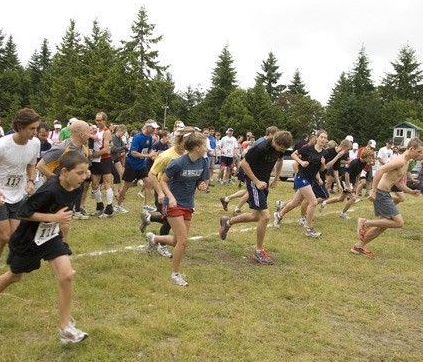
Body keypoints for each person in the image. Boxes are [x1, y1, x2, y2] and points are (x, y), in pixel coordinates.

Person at [0, 151, 90, 344]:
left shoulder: (77, 188)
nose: (84, 177)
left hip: (50, 236)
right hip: (27, 239)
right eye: (79, 173)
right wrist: (54, 218)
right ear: (63, 171)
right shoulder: (49, 190)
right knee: (14, 276)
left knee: (67, 275)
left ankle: (65, 328)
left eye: (85, 173)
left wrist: (62, 229)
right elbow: (24, 212)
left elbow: (63, 211)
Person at [0, 108, 41, 288]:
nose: (35, 133)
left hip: (17, 194)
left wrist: (31, 180)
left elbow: (32, 164)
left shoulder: (34, 144)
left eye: (36, 128)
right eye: (31, 129)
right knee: (4, 236)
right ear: (19, 126)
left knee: (14, 236)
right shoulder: (0, 145)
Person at [144, 132, 209, 287]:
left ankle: (154, 239)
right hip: (173, 204)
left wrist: (201, 185)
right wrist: (169, 197)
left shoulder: (203, 162)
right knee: (183, 240)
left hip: (188, 203)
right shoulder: (178, 163)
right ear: (197, 148)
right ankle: (175, 274)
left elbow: (201, 179)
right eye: (205, 145)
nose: (208, 148)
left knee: (178, 240)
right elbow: (163, 181)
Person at [219, 131, 292, 265]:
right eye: (281, 148)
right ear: (275, 142)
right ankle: (258, 251)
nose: (282, 151)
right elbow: (244, 163)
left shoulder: (281, 148)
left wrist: (276, 178)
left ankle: (228, 222)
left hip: (264, 181)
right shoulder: (261, 147)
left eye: (284, 150)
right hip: (254, 181)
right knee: (265, 216)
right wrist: (256, 181)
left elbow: (280, 161)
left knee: (255, 216)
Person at [353, 138, 423, 255]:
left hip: (385, 193)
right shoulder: (400, 161)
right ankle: (365, 222)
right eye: (419, 152)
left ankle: (358, 246)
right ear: (411, 149)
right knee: (398, 222)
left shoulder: (406, 162)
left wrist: (411, 191)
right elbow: (380, 170)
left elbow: (399, 183)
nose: (421, 154)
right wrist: (374, 191)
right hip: (381, 193)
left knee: (382, 225)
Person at [274, 130, 329, 238]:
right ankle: (309, 229)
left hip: (311, 179)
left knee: (295, 203)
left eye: (325, 138)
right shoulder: (308, 148)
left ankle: (278, 215)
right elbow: (293, 154)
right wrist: (301, 162)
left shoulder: (324, 153)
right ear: (317, 138)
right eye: (321, 137)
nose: (323, 139)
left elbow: (322, 169)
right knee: (313, 202)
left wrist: (323, 164)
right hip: (301, 177)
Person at [114, 120, 159, 214]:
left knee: (148, 183)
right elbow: (133, 153)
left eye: (155, 128)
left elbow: (150, 149)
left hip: (141, 165)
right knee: (125, 187)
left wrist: (154, 156)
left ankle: (146, 206)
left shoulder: (150, 137)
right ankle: (118, 206)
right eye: (153, 128)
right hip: (131, 164)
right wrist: (148, 156)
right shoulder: (137, 137)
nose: (155, 130)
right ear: (147, 127)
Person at [319, 148, 374, 219]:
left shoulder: (364, 163)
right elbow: (346, 174)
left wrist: (357, 182)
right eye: (369, 158)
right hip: (345, 180)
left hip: (351, 181)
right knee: (353, 198)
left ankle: (324, 203)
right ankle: (343, 213)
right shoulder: (355, 162)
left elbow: (359, 172)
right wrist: (348, 186)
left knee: (341, 199)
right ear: (365, 156)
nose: (371, 159)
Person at [90, 112, 115, 218]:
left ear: (104, 121)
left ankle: (109, 208)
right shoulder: (96, 130)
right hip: (95, 161)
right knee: (94, 185)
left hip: (104, 160)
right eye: (96, 120)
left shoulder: (106, 132)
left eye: (99, 120)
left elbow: (106, 149)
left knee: (106, 184)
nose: (97, 122)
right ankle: (99, 206)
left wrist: (93, 154)